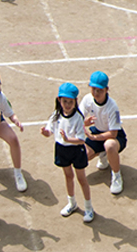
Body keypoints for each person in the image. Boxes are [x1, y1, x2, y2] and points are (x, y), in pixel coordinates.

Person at [41, 82, 96, 223]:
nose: (67, 104)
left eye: (70, 102)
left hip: (76, 150)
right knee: (68, 176)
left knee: (81, 178)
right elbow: (49, 132)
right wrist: (45, 132)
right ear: (59, 100)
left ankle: (88, 208)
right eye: (64, 101)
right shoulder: (55, 115)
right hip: (61, 149)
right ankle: (72, 203)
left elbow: (80, 140)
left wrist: (67, 139)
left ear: (75, 102)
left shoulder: (78, 117)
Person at [81, 70, 127, 196]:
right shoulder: (87, 100)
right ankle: (103, 154)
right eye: (93, 89)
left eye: (99, 90)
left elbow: (113, 133)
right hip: (97, 132)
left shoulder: (113, 107)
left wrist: (94, 137)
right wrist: (85, 123)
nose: (96, 93)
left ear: (106, 89)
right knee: (83, 156)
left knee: (110, 145)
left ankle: (116, 176)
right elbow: (78, 120)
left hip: (115, 137)